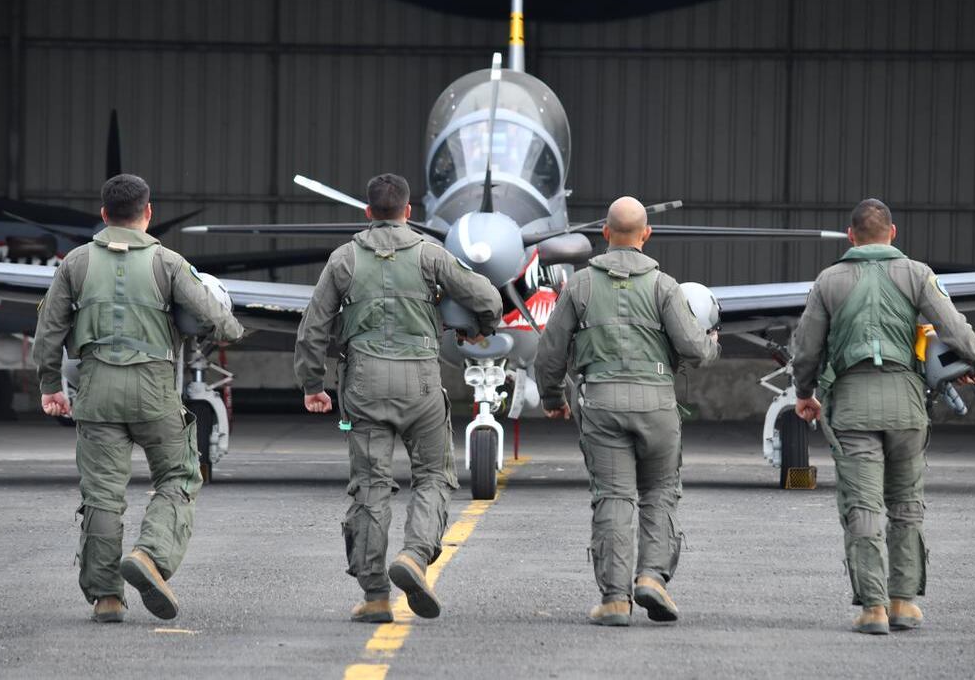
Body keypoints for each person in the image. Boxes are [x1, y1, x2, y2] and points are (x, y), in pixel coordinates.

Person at [33, 173, 244, 623]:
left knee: (103, 496)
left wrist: (51, 385)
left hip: (96, 390)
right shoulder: (168, 262)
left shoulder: (74, 263)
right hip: (154, 391)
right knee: (179, 477)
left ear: (104, 214)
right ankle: (151, 556)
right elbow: (216, 318)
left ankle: (107, 597)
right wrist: (231, 330)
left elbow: (48, 331)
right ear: (149, 213)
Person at [293, 173, 502, 624]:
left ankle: (374, 596)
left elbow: (313, 327)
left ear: (368, 212)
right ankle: (414, 555)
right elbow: (487, 297)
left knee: (370, 486)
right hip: (422, 382)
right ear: (409, 212)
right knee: (432, 477)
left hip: (363, 385)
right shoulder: (431, 253)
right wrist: (478, 328)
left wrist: (312, 385)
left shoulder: (344, 259)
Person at [790, 198, 975, 635]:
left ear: (851, 235)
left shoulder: (828, 281)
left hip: (852, 406)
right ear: (893, 233)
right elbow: (952, 324)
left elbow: (806, 347)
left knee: (862, 506)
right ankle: (904, 603)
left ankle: (873, 608)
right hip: (906, 405)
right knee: (905, 506)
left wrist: (803, 392)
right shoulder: (919, 274)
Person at [534, 196, 719, 627]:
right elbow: (694, 348)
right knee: (659, 492)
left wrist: (552, 400)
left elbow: (550, 354)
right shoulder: (664, 286)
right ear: (646, 234)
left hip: (600, 403)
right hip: (657, 404)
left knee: (614, 497)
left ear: (604, 233)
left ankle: (615, 599)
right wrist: (713, 344)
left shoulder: (579, 285)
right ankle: (652, 577)